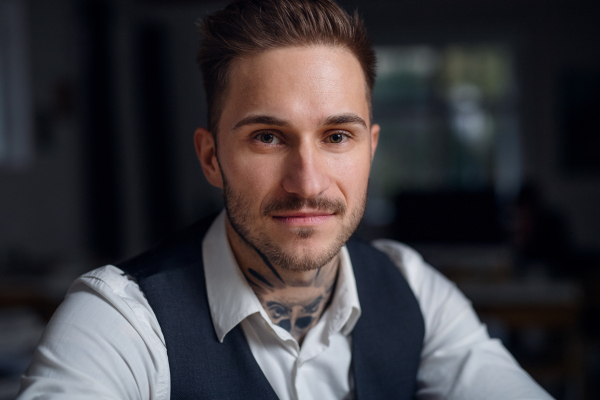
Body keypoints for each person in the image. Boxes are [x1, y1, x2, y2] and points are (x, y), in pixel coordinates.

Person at [18, 0, 553, 399]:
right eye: (267, 137)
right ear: (210, 158)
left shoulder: (413, 289)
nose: (307, 182)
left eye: (337, 137)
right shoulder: (120, 320)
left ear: (370, 150)